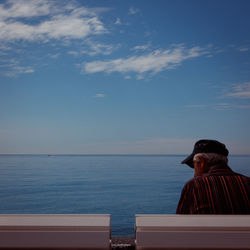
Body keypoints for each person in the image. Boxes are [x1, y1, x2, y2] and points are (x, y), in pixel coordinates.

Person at [176, 139, 250, 214]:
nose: (194, 173)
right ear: (226, 161)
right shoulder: (247, 181)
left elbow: (180, 219)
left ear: (202, 162)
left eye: (194, 164)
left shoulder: (193, 185)